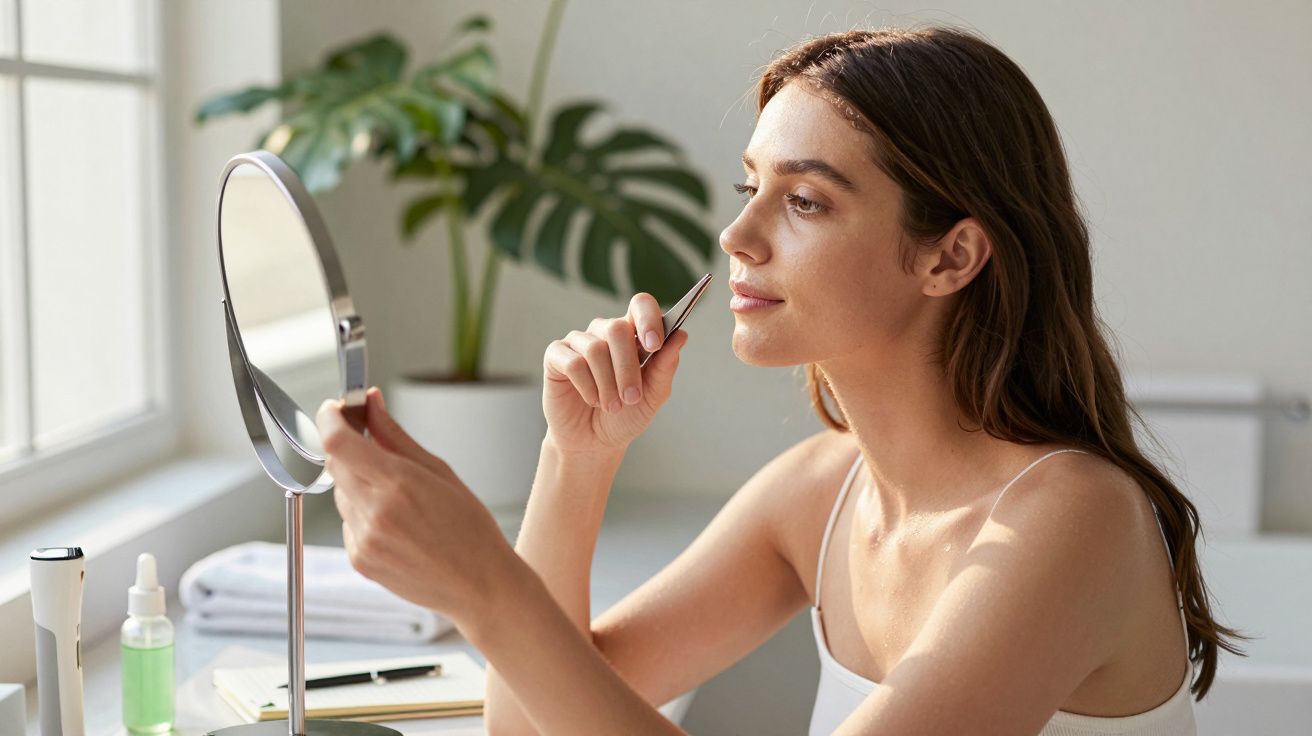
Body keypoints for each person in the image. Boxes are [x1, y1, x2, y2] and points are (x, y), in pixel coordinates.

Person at [315, 25, 1247, 735]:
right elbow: (527, 723)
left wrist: (484, 584)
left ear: (951, 255)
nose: (738, 237)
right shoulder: (819, 493)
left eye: (804, 201)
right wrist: (579, 458)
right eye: (748, 188)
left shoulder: (1071, 519)